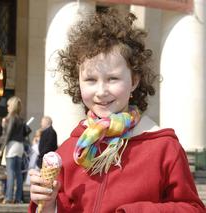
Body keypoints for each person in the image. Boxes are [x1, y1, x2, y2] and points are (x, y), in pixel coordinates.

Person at [29, 8, 205, 212]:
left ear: (134, 81)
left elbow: (192, 208)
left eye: (113, 78)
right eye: (90, 80)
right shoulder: (69, 151)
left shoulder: (164, 148)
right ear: (78, 82)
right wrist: (48, 204)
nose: (101, 91)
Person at [0, 96, 30, 204]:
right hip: (20, 146)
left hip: (12, 146)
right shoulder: (20, 118)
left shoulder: (11, 117)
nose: (7, 107)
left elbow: (8, 134)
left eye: (8, 105)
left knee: (10, 172)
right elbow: (26, 132)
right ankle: (18, 198)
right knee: (18, 173)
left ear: (11, 106)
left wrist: (1, 148)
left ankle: (8, 197)